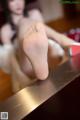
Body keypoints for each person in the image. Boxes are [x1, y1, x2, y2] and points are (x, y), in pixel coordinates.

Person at [0, 0, 79, 92]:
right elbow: (8, 64)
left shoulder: (34, 13)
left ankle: (59, 46)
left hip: (49, 57)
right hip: (27, 65)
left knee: (34, 26)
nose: (18, 3)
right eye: (12, 0)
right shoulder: (5, 30)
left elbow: (43, 37)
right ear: (5, 3)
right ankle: (61, 39)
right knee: (25, 23)